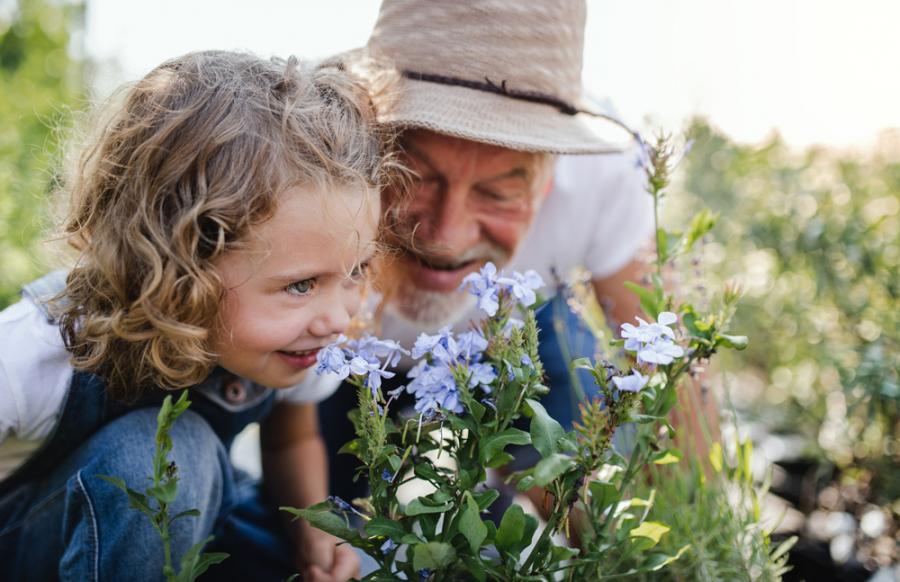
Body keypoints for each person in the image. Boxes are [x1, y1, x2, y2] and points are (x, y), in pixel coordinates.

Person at [0, 50, 395, 581]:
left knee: (373, 560)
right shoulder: (39, 353)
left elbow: (290, 436)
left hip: (198, 521)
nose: (337, 317)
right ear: (183, 264)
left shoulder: (297, 342)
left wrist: (314, 534)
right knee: (160, 458)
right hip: (34, 546)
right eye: (301, 285)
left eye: (355, 270)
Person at [319, 0, 675, 504]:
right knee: (331, 518)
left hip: (513, 330)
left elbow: (671, 372)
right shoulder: (310, 149)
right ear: (367, 136)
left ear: (550, 179)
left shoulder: (606, 175)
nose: (446, 235)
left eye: (497, 192)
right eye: (414, 175)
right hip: (347, 351)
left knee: (579, 490)